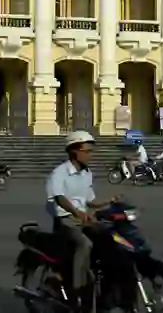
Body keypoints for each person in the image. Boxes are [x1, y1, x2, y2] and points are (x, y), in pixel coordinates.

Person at [46, 131, 119, 313]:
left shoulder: (87, 174)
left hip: (83, 218)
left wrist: (110, 201)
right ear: (74, 151)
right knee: (84, 244)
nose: (90, 155)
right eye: (87, 151)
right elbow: (59, 198)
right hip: (65, 220)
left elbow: (90, 201)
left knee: (111, 237)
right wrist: (77, 212)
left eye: (91, 151)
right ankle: (77, 290)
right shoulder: (60, 172)